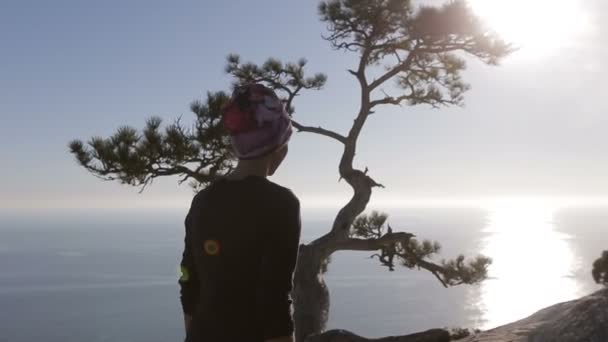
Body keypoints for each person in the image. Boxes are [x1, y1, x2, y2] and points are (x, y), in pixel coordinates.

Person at [179, 84, 301, 342]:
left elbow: (188, 279)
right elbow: (275, 299)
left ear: (236, 146)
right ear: (280, 149)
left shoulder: (202, 200)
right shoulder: (281, 204)